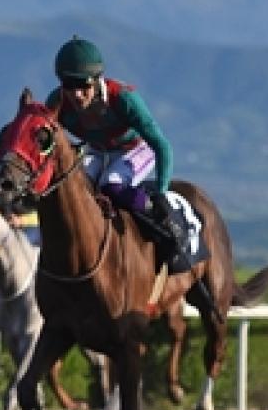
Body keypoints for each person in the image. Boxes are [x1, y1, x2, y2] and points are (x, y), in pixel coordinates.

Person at [46, 35, 184, 252]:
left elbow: (162, 145)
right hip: (99, 151)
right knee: (72, 185)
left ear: (97, 79)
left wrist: (161, 194)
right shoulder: (57, 102)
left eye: (83, 85)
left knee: (110, 184)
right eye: (69, 85)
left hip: (137, 148)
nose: (77, 94)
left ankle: (161, 223)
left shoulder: (123, 98)